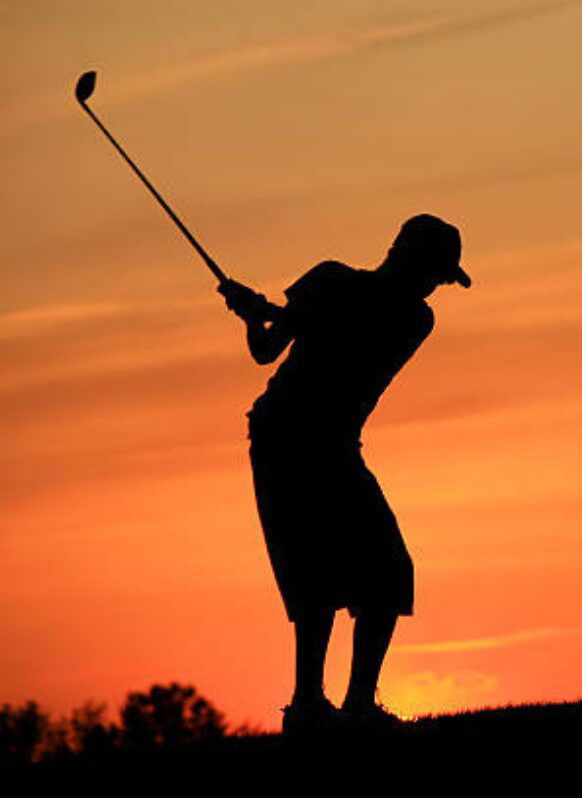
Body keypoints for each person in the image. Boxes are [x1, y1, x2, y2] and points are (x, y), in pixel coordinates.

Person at [219, 214, 471, 734]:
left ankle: (348, 705)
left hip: (323, 442)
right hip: (286, 438)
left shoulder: (362, 296)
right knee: (325, 570)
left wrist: (258, 314)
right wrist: (266, 316)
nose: (437, 286)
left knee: (382, 571)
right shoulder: (354, 294)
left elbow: (273, 345)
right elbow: (273, 350)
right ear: (408, 258)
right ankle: (313, 705)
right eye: (438, 273)